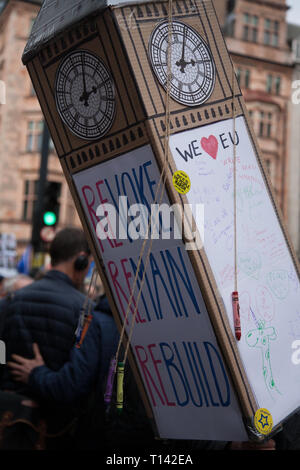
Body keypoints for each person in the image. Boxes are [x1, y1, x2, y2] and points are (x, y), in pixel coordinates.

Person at [0, 227, 93, 445]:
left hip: (9, 422)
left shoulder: (12, 300)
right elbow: (81, 380)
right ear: (81, 260)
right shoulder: (86, 310)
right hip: (56, 427)